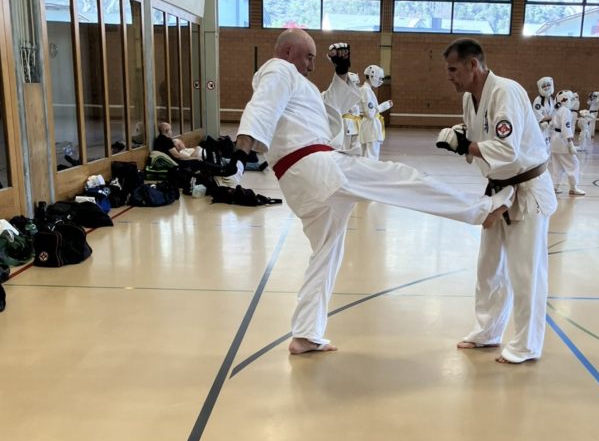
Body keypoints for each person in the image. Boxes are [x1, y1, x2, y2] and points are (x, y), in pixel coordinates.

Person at [231, 30, 512, 355]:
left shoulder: (297, 88)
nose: (311, 65)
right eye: (308, 57)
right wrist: (241, 151)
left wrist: (340, 73)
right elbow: (261, 107)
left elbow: (329, 112)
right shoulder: (278, 70)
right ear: (289, 51)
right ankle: (481, 211)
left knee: (326, 254)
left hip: (301, 184)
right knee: (401, 178)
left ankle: (306, 333)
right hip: (317, 168)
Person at [436, 38, 557, 364]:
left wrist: (465, 146)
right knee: (489, 267)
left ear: (473, 65)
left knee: (525, 272)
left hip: (527, 189)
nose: (449, 76)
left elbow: (507, 149)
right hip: (498, 189)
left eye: (453, 69)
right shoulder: (469, 97)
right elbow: (479, 134)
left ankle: (527, 345)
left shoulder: (506, 92)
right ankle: (487, 331)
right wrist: (459, 135)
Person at [549, 90, 585, 196]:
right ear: (566, 99)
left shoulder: (556, 109)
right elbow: (566, 128)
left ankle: (555, 186)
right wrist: (570, 143)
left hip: (554, 139)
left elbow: (551, 125)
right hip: (562, 140)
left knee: (557, 165)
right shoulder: (565, 111)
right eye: (571, 99)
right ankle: (573, 187)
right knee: (574, 163)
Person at [359, 64, 392, 160]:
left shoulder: (366, 90)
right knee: (372, 157)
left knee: (365, 156)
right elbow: (370, 113)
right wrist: (384, 106)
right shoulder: (366, 91)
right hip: (371, 127)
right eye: (379, 78)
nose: (380, 81)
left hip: (368, 126)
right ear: (372, 76)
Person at [532, 76, 555, 152]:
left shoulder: (552, 99)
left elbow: (555, 112)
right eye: (544, 86)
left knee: (549, 148)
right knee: (541, 148)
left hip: (550, 127)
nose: (546, 87)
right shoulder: (538, 100)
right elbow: (538, 116)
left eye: (548, 85)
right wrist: (552, 117)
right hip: (541, 127)